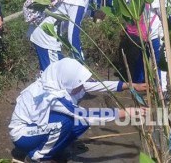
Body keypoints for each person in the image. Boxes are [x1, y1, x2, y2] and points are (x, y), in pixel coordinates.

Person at [9, 58, 147, 162]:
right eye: (78, 83)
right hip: (23, 134)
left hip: (38, 126)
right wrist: (125, 113)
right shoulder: (52, 95)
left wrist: (131, 85)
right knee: (66, 122)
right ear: (68, 81)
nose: (81, 86)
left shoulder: (60, 81)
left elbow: (98, 85)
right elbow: (86, 114)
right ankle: (36, 157)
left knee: (80, 122)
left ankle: (55, 150)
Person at [28, 0, 109, 71]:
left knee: (49, 74)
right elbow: (73, 37)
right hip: (47, 38)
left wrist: (93, 13)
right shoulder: (77, 1)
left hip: (41, 32)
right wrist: (81, 64)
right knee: (55, 76)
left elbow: (70, 13)